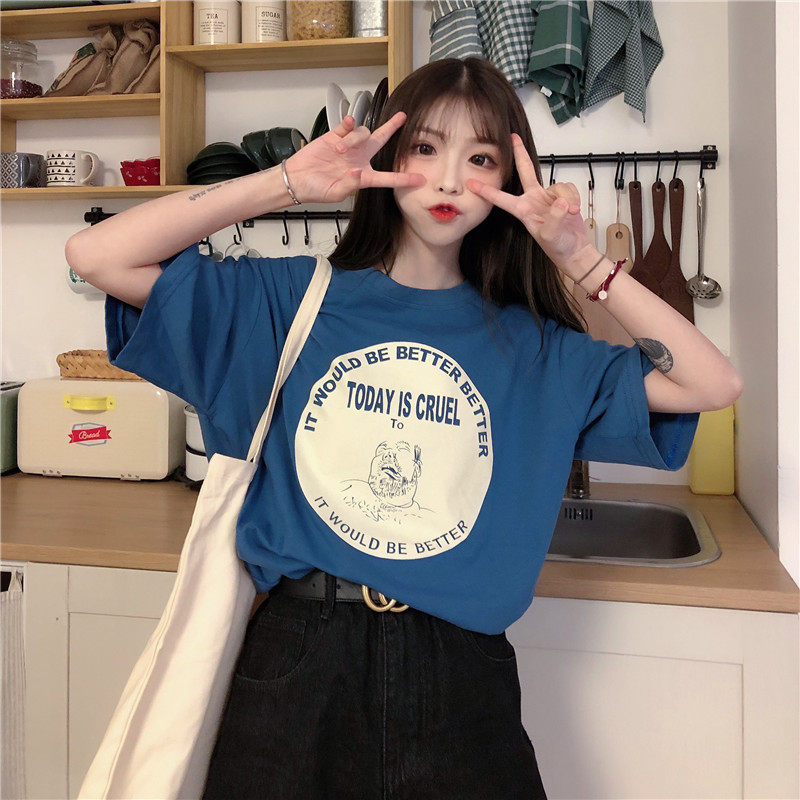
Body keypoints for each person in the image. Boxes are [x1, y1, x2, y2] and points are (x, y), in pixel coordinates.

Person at [66, 57, 742, 800]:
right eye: (426, 148)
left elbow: (713, 384)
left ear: (507, 182)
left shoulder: (536, 350)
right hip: (299, 661)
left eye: (481, 159)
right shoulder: (293, 301)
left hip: (462, 678)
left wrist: (580, 256)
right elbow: (96, 254)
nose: (450, 180)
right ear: (389, 157)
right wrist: (285, 181)